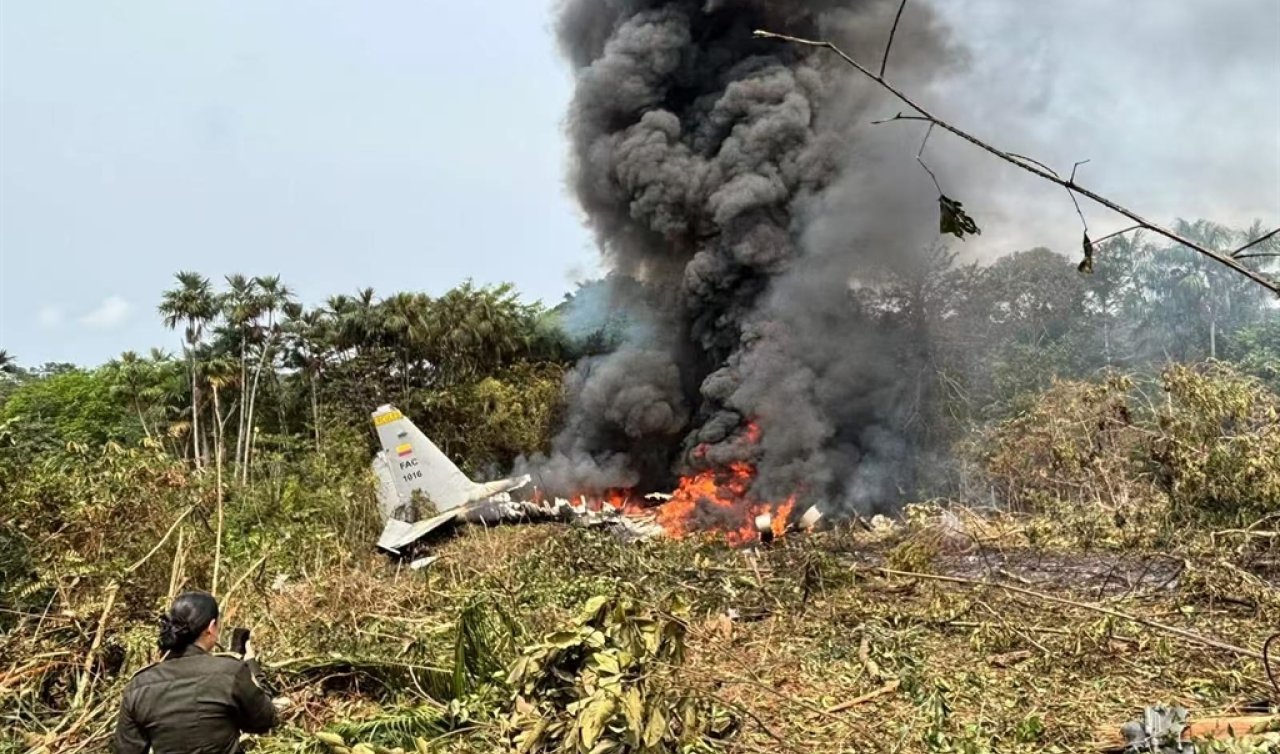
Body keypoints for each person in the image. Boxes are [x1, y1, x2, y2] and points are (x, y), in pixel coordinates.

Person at [111, 591, 278, 754]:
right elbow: (264, 720)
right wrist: (251, 665)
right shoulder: (230, 672)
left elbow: (126, 749)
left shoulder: (138, 686)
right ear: (211, 627)